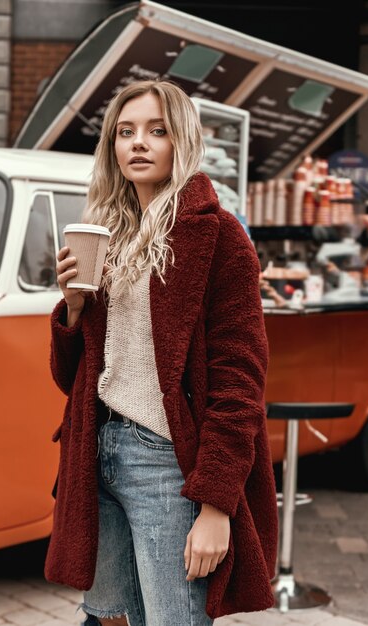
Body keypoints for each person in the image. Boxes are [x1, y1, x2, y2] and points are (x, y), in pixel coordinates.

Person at [46, 80, 278, 626]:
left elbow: (240, 382)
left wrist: (216, 505)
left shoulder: (218, 237)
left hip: (168, 462)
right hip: (96, 449)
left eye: (157, 131)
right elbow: (71, 378)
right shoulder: (107, 236)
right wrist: (74, 310)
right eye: (125, 132)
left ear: (183, 141)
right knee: (108, 616)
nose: (139, 144)